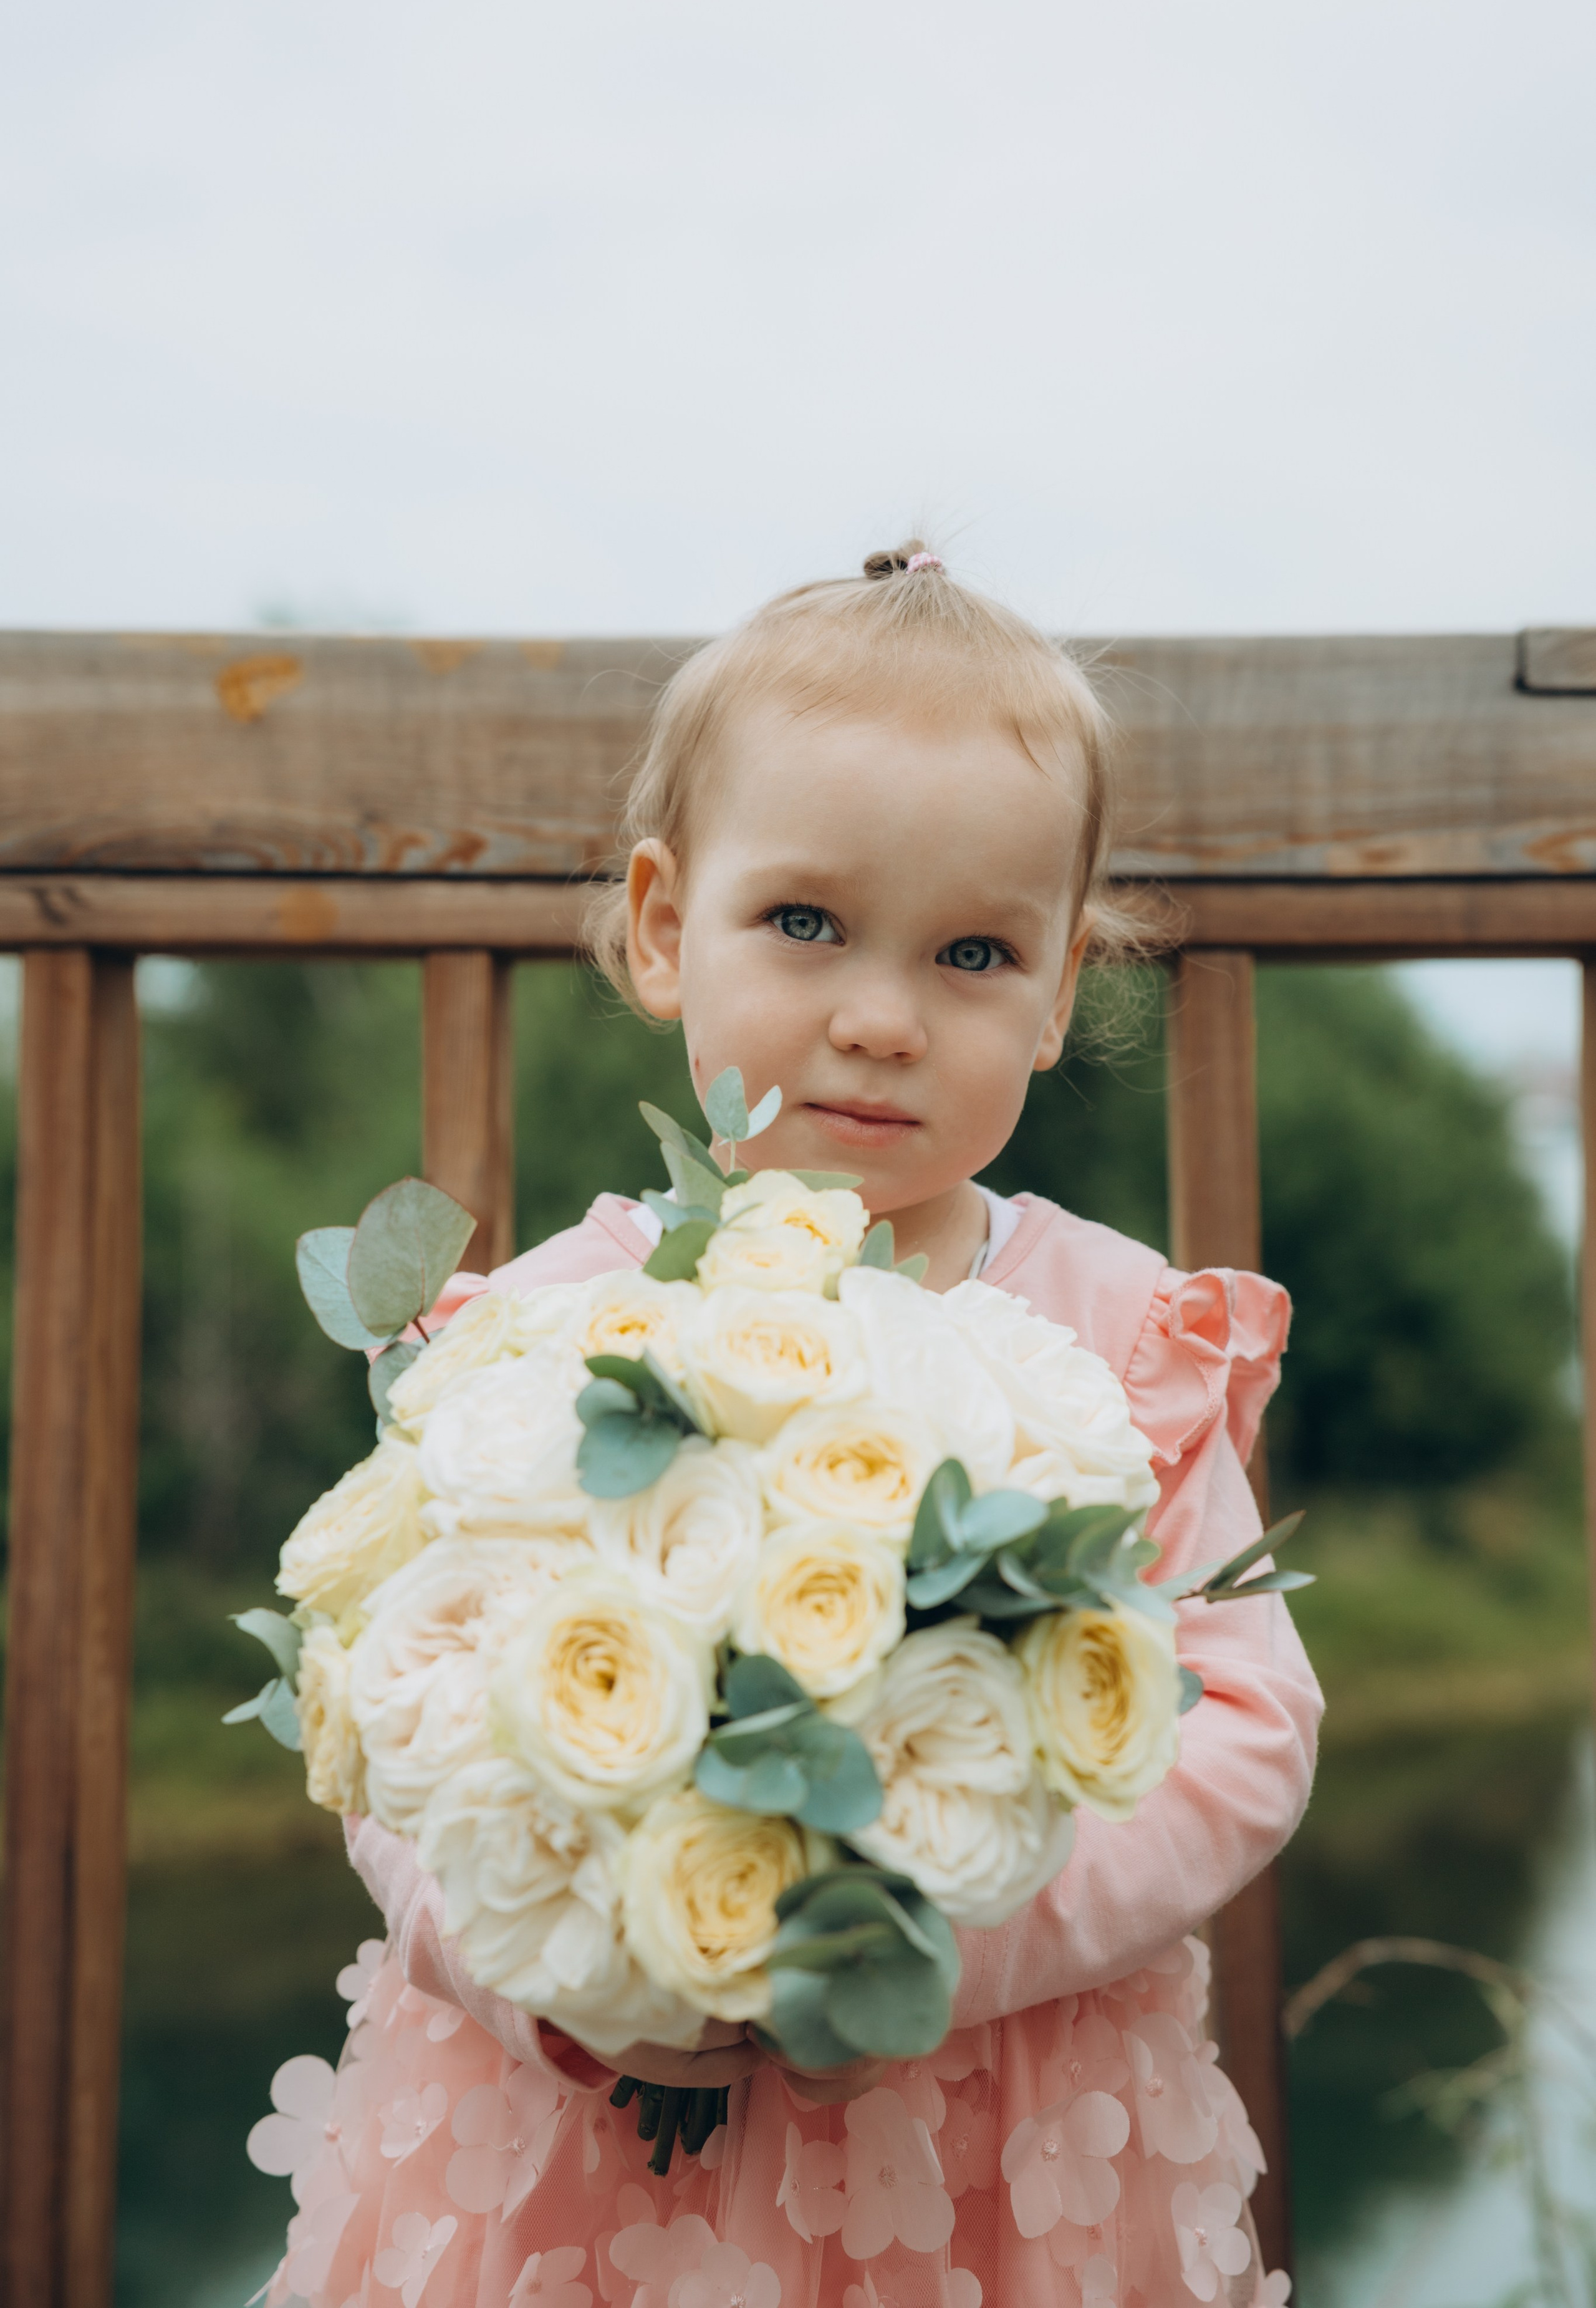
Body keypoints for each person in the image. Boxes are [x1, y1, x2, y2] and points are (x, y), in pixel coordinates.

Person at [262, 543, 1320, 2308]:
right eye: (808, 923)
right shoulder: (536, 1335)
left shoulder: (1120, 1341)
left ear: (1059, 992)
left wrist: (918, 1945)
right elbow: (398, 1703)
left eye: (976, 952)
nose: (883, 1019)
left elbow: (1243, 1719)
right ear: (669, 926)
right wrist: (548, 1972)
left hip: (992, 2139)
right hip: (585, 2145)